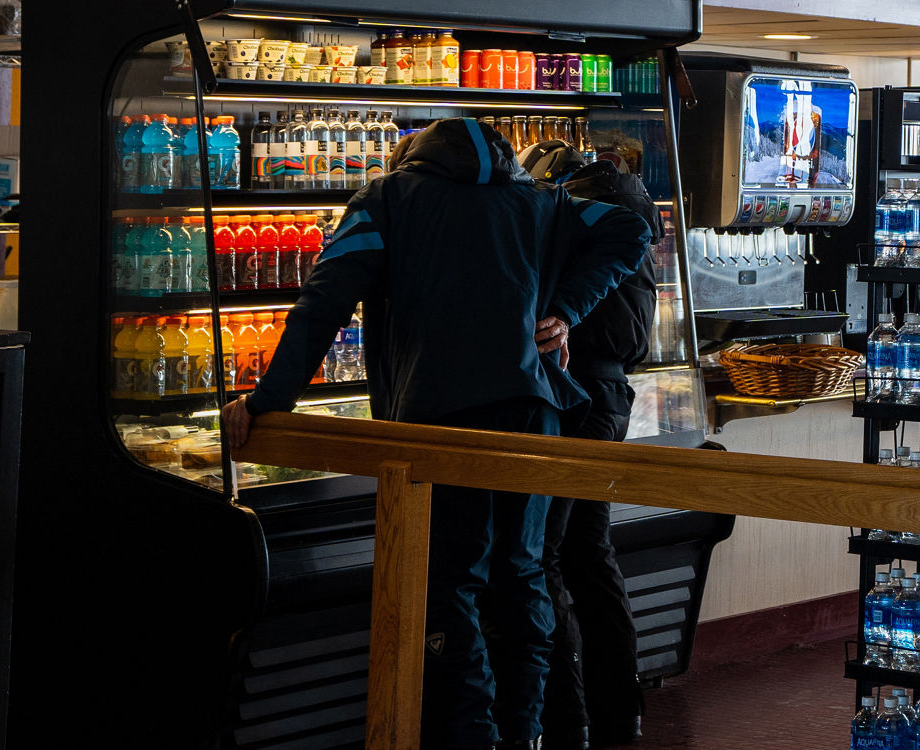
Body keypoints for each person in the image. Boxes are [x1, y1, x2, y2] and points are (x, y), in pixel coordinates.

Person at [225, 118, 650, 750]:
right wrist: (566, 308)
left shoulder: (386, 201)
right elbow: (632, 229)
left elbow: (323, 304)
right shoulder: (539, 200)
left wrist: (267, 402)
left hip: (436, 420)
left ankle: (468, 737)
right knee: (523, 578)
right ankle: (525, 735)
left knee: (450, 588)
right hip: (532, 416)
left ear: (409, 159)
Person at [538, 160, 662, 750]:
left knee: (547, 557)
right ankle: (618, 709)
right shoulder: (634, 215)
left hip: (574, 395)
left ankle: (569, 718)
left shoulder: (582, 222)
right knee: (589, 552)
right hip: (609, 395)